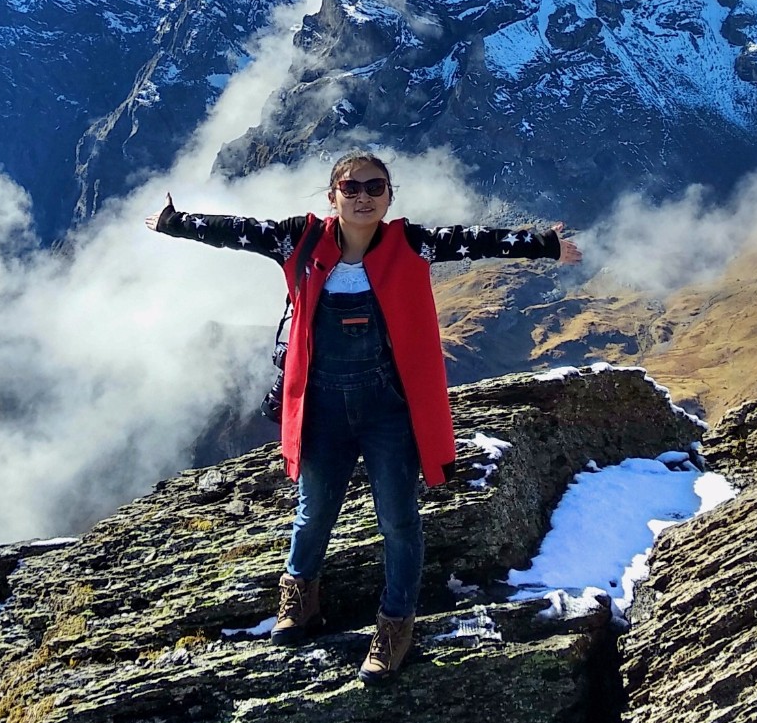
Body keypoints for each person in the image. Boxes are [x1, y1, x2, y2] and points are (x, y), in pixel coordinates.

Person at [146, 153, 581, 684]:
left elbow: (476, 240)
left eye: (375, 187)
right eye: (351, 187)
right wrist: (177, 224)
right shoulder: (298, 240)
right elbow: (238, 231)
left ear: (390, 197)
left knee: (398, 519)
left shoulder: (412, 243)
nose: (363, 196)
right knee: (313, 513)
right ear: (332, 195)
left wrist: (545, 245)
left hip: (387, 410)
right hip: (322, 408)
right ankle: (299, 601)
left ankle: (395, 626)